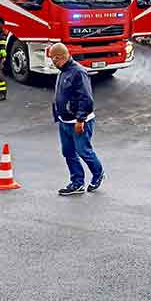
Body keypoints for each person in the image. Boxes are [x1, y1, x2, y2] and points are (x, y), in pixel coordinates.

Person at [47, 43, 103, 196]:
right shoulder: (63, 71)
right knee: (68, 152)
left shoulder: (78, 72)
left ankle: (98, 174)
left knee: (83, 151)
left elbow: (86, 98)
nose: (52, 62)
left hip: (78, 122)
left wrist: (80, 120)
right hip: (65, 121)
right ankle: (77, 182)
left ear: (61, 57)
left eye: (54, 59)